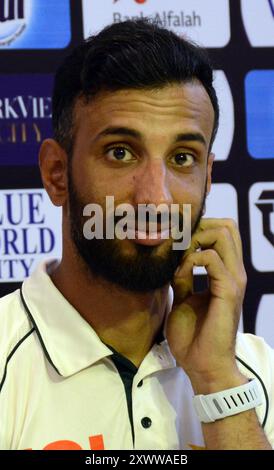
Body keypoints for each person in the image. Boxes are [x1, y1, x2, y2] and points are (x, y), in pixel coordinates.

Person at [0, 19, 273, 451]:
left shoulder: (253, 373)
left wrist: (217, 381)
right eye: (120, 152)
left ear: (207, 180)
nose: (156, 198)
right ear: (56, 173)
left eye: (183, 157)